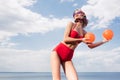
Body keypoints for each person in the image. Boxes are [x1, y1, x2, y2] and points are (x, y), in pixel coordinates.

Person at [51, 9, 108, 80]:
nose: (79, 15)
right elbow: (66, 39)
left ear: (84, 17)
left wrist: (103, 41)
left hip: (68, 57)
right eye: (77, 14)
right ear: (75, 17)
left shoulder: (84, 33)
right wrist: (81, 39)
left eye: (81, 14)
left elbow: (90, 46)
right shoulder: (71, 24)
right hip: (58, 52)